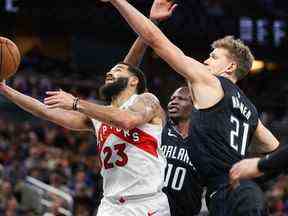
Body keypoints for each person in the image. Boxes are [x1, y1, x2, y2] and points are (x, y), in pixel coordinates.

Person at [101, 0, 280, 214]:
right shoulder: (250, 111)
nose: (206, 61)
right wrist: (237, 151)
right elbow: (272, 147)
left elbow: (155, 40)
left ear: (230, 67)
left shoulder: (212, 82)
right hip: (244, 193)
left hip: (227, 191)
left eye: (213, 57)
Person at [0, 4, 175, 215]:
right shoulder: (99, 116)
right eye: (109, 71)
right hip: (110, 205)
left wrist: (76, 103)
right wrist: (5, 89)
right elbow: (44, 111)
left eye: (117, 70)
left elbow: (127, 120)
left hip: (146, 203)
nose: (110, 72)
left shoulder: (147, 101)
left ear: (134, 81)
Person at [161, 86, 203, 216]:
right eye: (172, 98)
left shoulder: (204, 141)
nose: (173, 102)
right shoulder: (161, 127)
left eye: (180, 99)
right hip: (153, 208)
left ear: (195, 105)